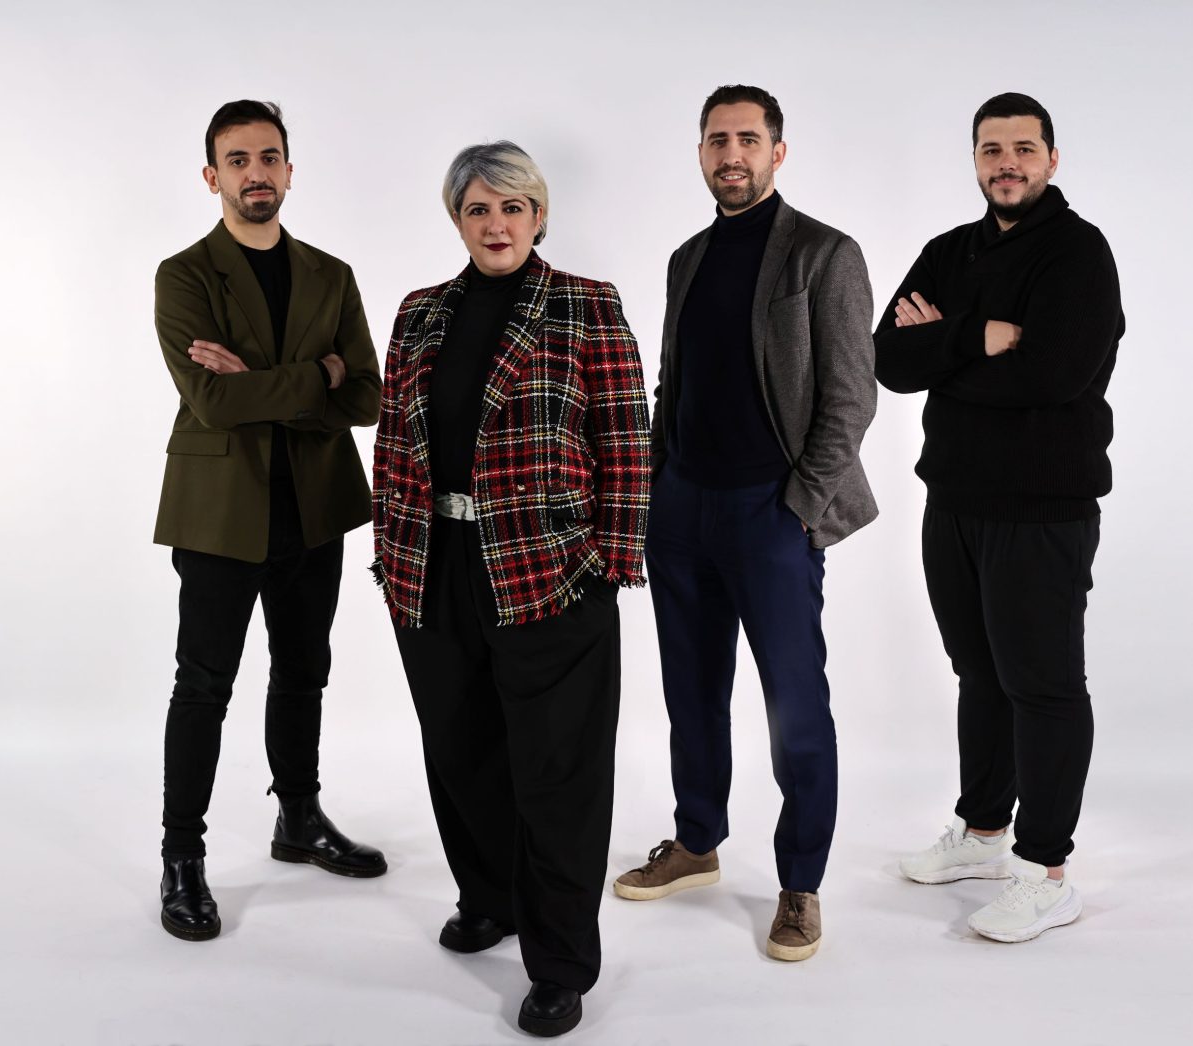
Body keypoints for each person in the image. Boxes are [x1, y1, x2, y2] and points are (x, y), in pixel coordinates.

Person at [370, 141, 649, 1037]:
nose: (496, 225)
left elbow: (627, 441)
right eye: (478, 209)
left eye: (513, 207)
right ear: (457, 220)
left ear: (539, 215)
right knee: (460, 750)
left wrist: (608, 563)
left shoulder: (585, 305)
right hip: (434, 566)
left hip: (550, 571)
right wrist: (390, 555)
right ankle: (490, 897)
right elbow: (393, 440)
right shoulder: (419, 312)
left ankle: (561, 963)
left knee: (558, 775)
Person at [613, 85, 878, 962]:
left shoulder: (824, 253)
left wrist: (800, 506)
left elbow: (851, 397)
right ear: (701, 153)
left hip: (771, 510)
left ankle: (800, 883)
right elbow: (673, 379)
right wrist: (656, 481)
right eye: (718, 140)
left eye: (748, 140)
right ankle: (697, 842)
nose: (732, 154)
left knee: (795, 707)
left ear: (777, 152)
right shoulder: (686, 258)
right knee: (691, 692)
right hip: (681, 507)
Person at [873, 92, 1124, 943]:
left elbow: (1053, 377)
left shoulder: (1079, 254)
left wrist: (944, 345)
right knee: (978, 673)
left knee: (1042, 686)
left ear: (1052, 158)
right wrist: (982, 335)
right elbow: (887, 360)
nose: (1006, 164)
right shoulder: (949, 250)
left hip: (1042, 511)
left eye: (1023, 149)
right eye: (991, 150)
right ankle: (983, 834)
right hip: (953, 501)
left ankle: (1046, 872)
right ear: (975, 160)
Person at [152, 100, 387, 943]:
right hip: (219, 515)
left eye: (269, 157)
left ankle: (299, 818)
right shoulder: (184, 276)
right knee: (203, 686)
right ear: (212, 176)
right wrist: (315, 376)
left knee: (303, 672)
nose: (257, 173)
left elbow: (368, 395)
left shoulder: (332, 274)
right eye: (238, 159)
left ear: (290, 169)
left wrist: (262, 381)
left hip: (315, 509)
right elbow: (213, 403)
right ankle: (182, 857)